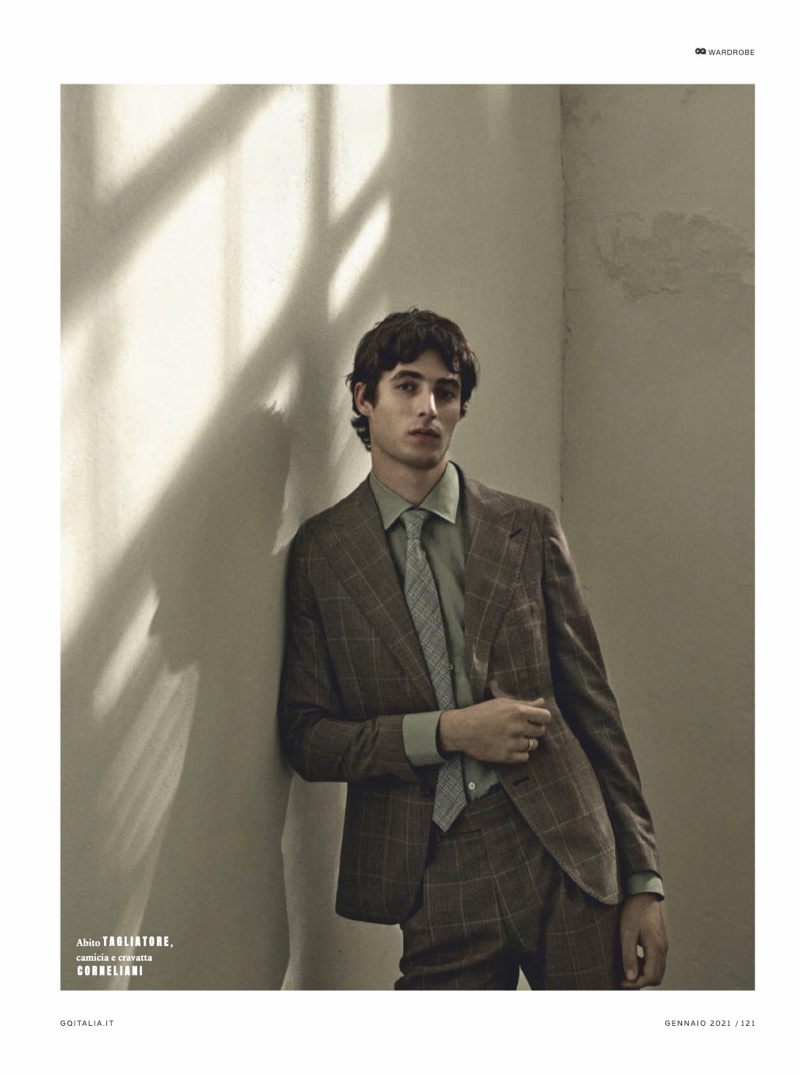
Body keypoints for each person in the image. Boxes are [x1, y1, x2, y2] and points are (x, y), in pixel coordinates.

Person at [279, 308, 668, 990]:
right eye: (407, 386)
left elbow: (594, 710)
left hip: (568, 851)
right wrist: (448, 732)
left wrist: (643, 880)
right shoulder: (323, 553)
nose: (428, 408)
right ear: (365, 399)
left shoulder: (527, 528)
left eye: (446, 391)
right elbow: (307, 738)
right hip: (433, 868)